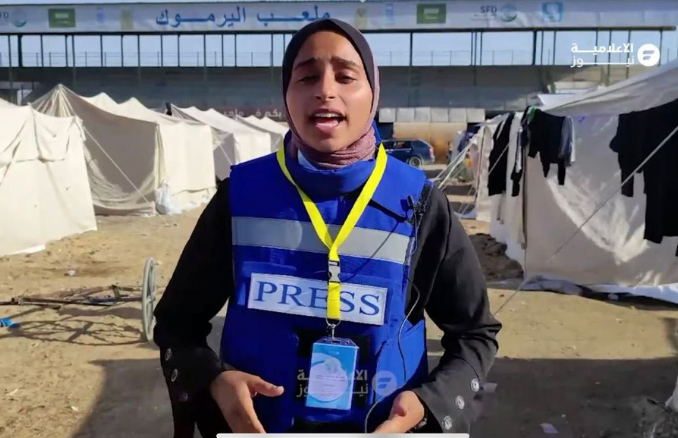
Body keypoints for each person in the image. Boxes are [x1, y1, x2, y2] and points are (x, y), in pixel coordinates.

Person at [153, 18, 501, 437]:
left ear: (373, 94)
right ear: (286, 95)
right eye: (307, 76)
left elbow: (475, 334)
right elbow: (176, 324)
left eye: (346, 76)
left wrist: (430, 404)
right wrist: (214, 381)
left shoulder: (420, 204)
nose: (325, 90)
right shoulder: (240, 196)